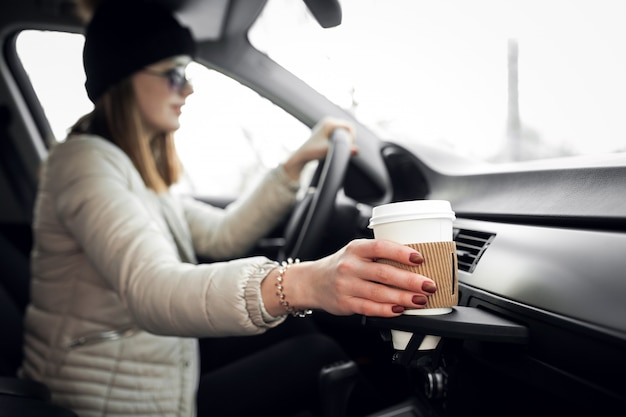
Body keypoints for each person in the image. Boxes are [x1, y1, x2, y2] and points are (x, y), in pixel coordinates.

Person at [20, 0, 438, 416]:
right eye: (174, 74)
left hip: (156, 361)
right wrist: (302, 283)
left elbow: (221, 236)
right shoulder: (84, 164)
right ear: (124, 76)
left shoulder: (132, 170)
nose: (188, 88)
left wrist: (292, 167)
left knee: (304, 330)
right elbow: (152, 289)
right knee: (318, 352)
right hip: (107, 399)